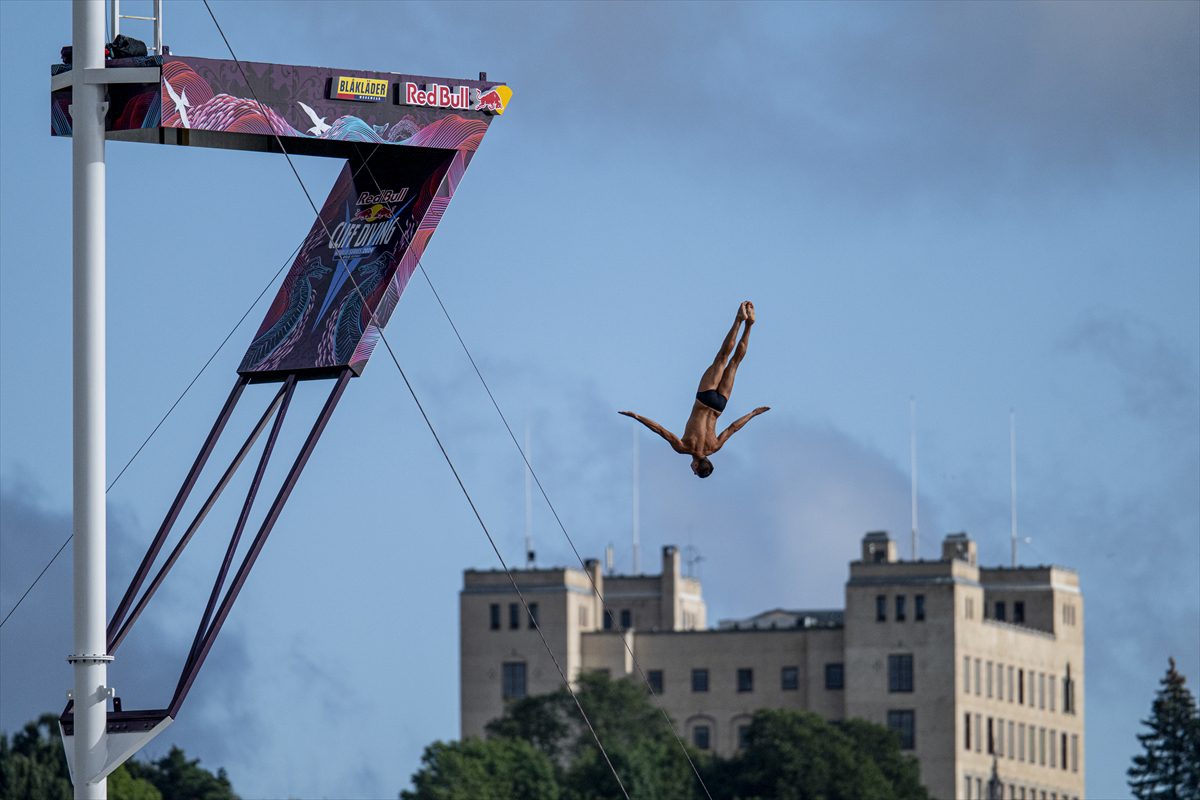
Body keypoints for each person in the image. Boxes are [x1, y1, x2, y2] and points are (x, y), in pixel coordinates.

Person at [620, 301, 769, 478]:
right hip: (704, 398)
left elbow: (733, 428)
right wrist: (637, 417)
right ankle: (738, 320)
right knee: (722, 358)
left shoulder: (714, 447)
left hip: (719, 406)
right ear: (697, 466)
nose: (692, 470)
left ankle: (748, 325)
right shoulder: (683, 447)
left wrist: (753, 413)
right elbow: (660, 430)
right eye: (694, 471)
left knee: (733, 363)